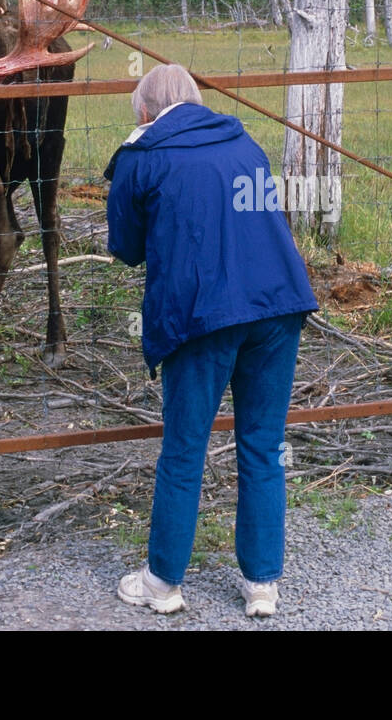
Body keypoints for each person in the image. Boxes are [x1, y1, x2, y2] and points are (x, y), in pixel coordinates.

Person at [104, 64, 318, 614]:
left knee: (184, 450)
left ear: (147, 112)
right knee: (263, 445)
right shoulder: (243, 140)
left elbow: (126, 248)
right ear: (196, 102)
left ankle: (162, 585)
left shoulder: (141, 157)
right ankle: (262, 585)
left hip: (202, 314)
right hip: (277, 304)